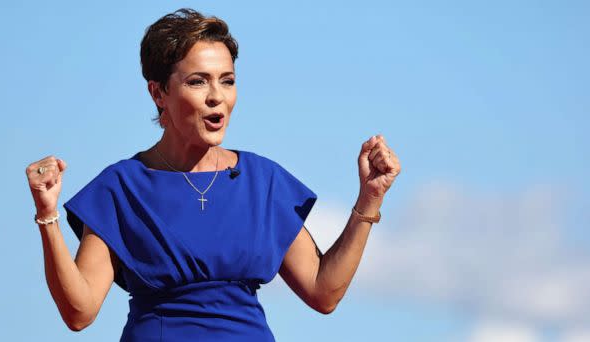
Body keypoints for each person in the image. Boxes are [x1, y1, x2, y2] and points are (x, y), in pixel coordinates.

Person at [25, 8, 401, 342]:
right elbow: (79, 312)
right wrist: (47, 215)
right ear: (159, 93)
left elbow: (323, 292)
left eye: (227, 80)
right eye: (197, 81)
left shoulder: (262, 181)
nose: (216, 96)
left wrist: (370, 198)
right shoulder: (121, 187)